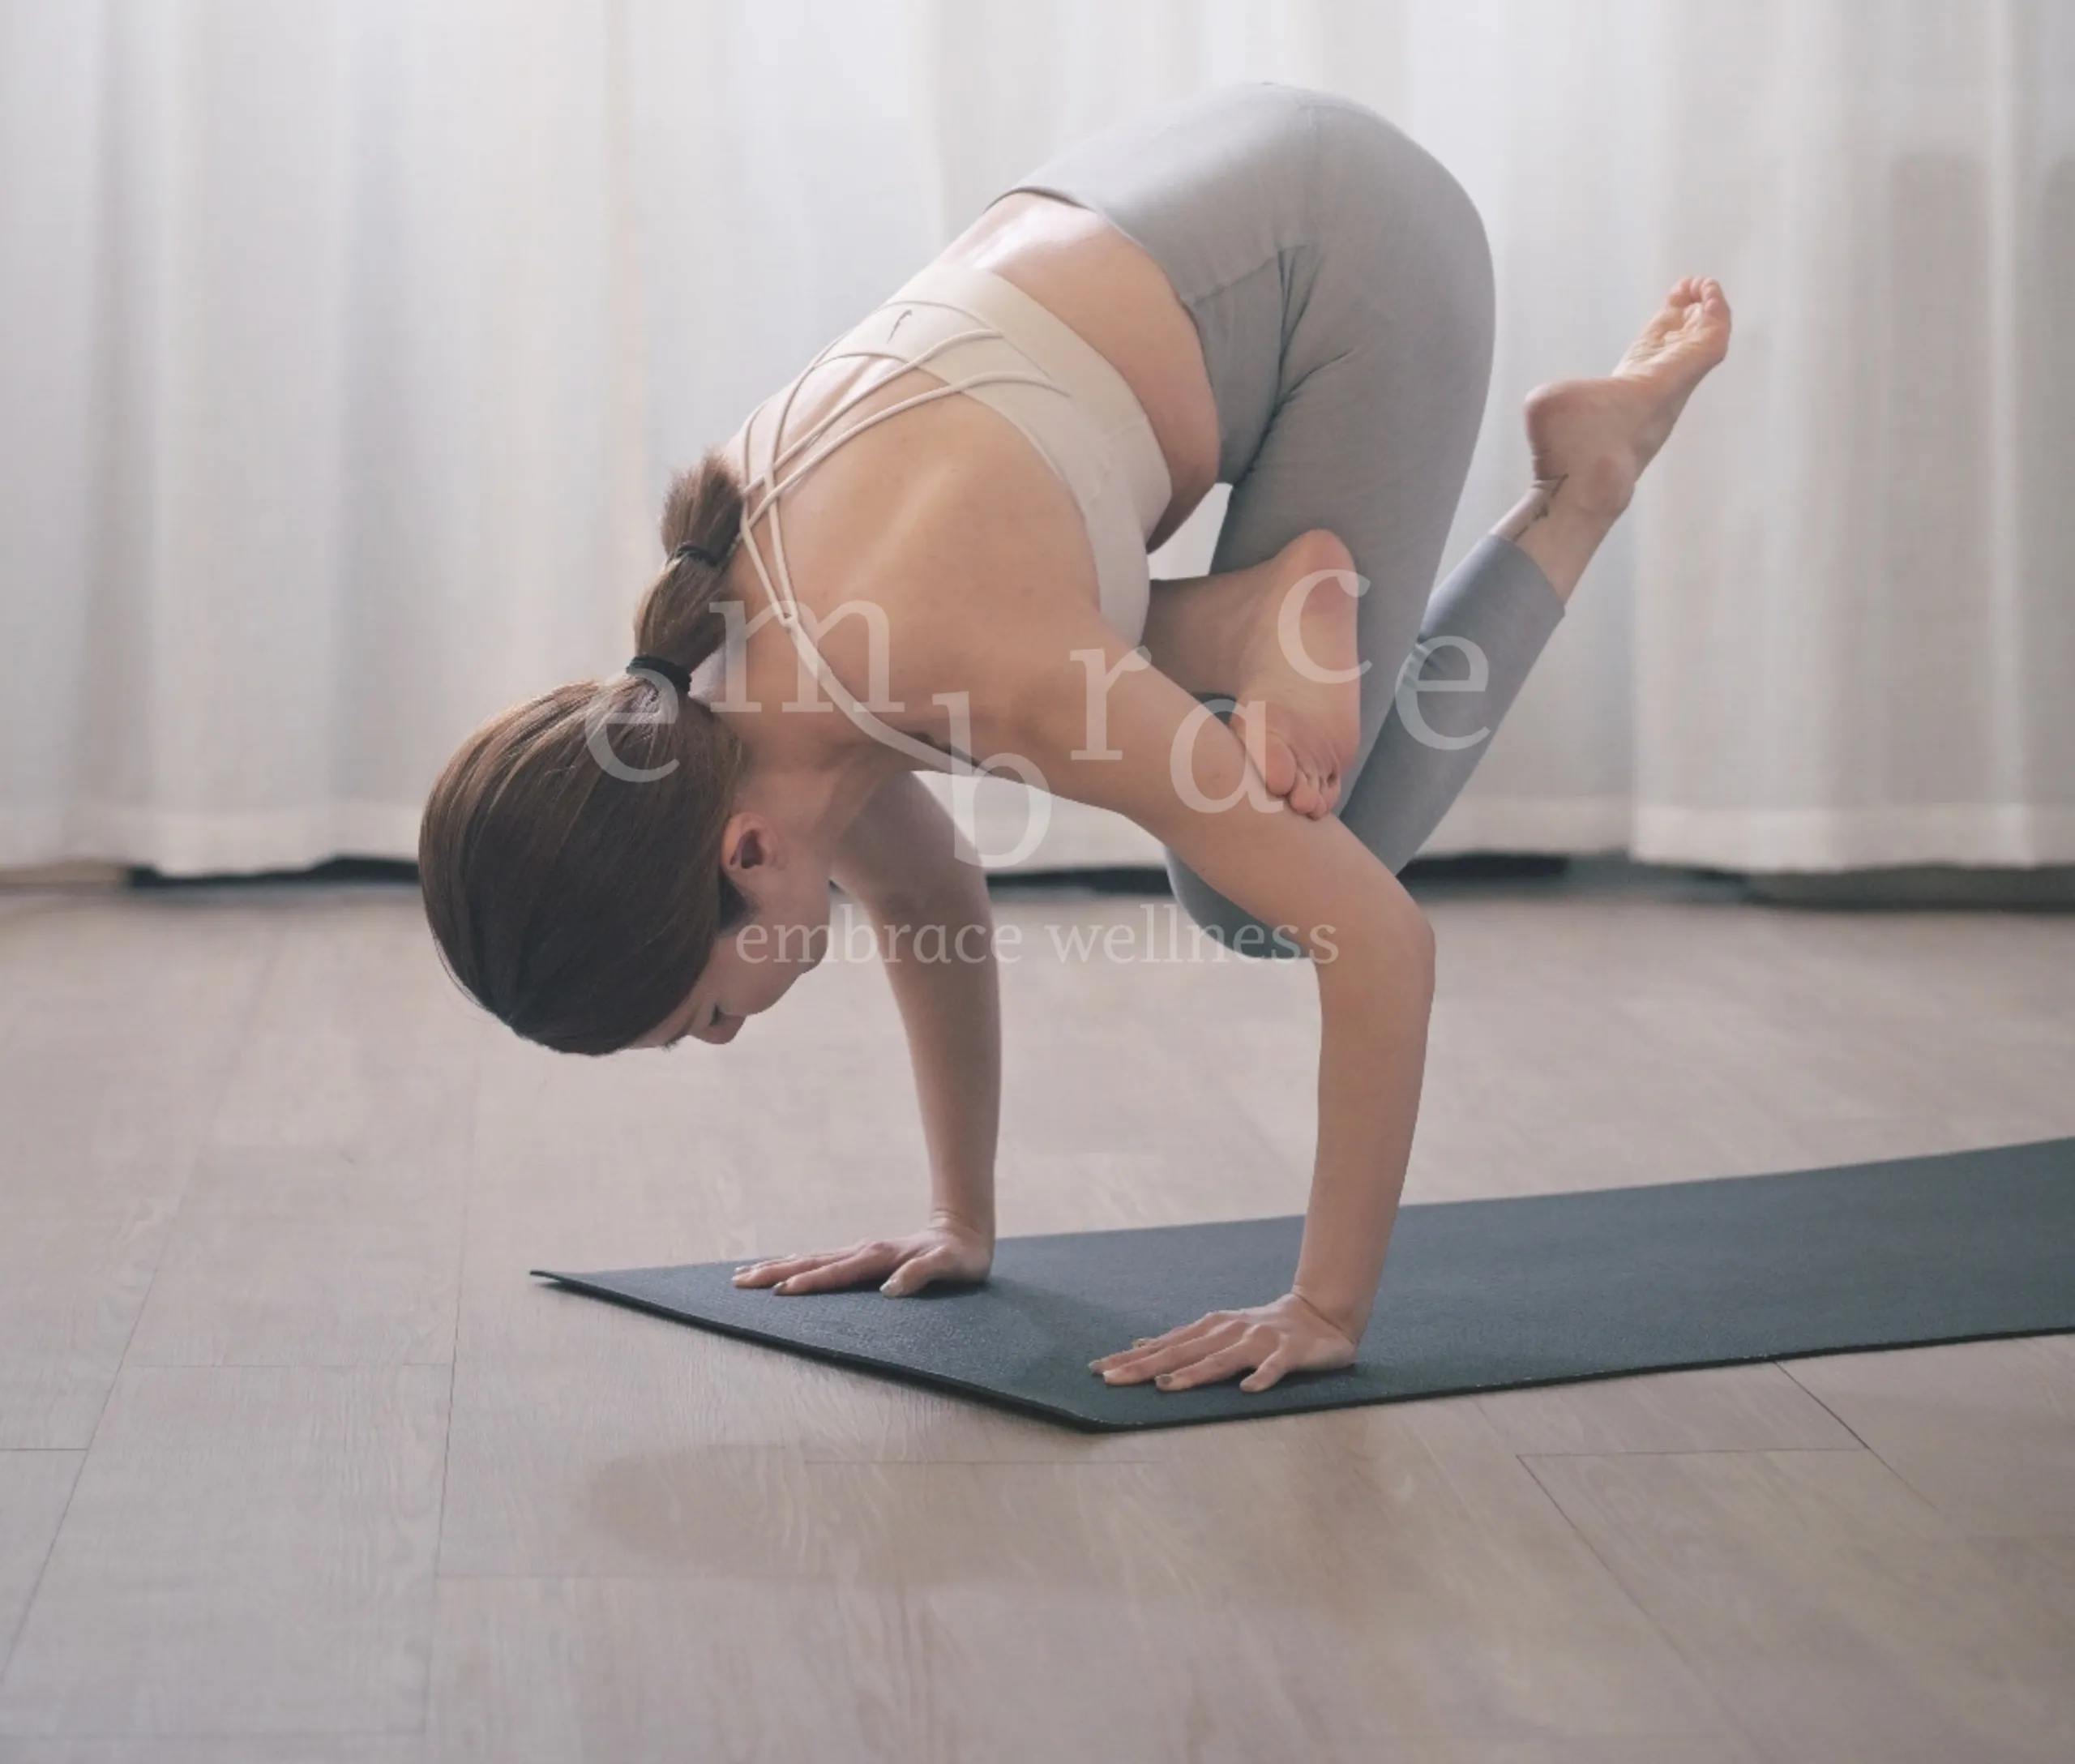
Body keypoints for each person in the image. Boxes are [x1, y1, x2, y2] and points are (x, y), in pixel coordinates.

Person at [420, 83, 1731, 1396]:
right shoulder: (723, 688)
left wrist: (1323, 1308)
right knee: (1091, 681)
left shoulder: (960, 670)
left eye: (704, 1015)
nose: (729, 1035)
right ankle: (1247, 621)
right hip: (1189, 189)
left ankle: (1576, 490)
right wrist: (959, 1225)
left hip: (1355, 260)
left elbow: (1381, 945)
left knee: (1261, 893)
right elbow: (932, 899)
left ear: (746, 852)